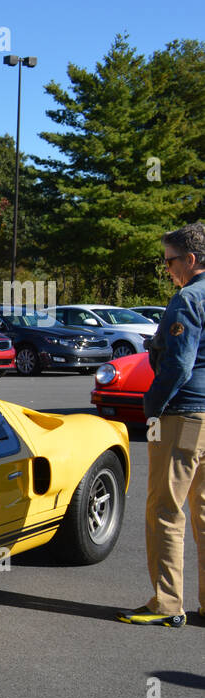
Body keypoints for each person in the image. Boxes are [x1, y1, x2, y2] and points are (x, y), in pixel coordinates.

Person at [119, 222, 205, 627]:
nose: (166, 268)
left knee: (164, 508)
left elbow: (179, 364)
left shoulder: (188, 299)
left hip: (181, 414)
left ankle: (167, 603)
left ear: (190, 259)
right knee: (203, 510)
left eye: (169, 260)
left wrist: (152, 405)